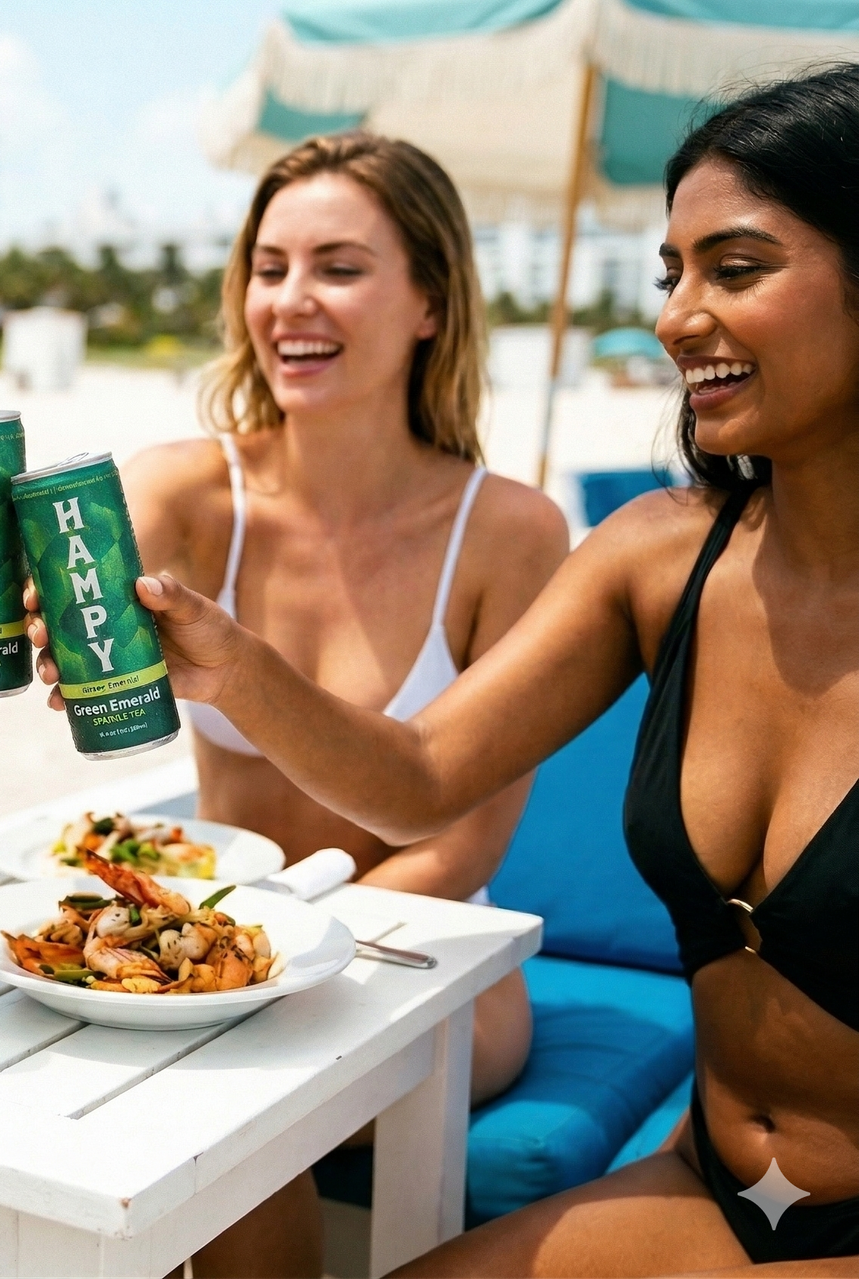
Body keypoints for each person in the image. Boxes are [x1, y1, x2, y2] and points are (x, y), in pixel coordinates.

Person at [42, 64, 859, 1277]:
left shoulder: (511, 526)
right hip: (710, 1187)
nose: (680, 315)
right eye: (671, 274)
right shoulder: (658, 555)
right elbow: (423, 773)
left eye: (735, 270)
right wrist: (233, 668)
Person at [111, 132, 567, 1276]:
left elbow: (461, 843)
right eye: (268, 267)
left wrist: (252, 961)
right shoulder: (180, 490)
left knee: (221, 1094)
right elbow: (54, 605)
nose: (290, 301)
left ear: (428, 301)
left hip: (419, 955)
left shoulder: (509, 534)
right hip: (205, 947)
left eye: (340, 266)